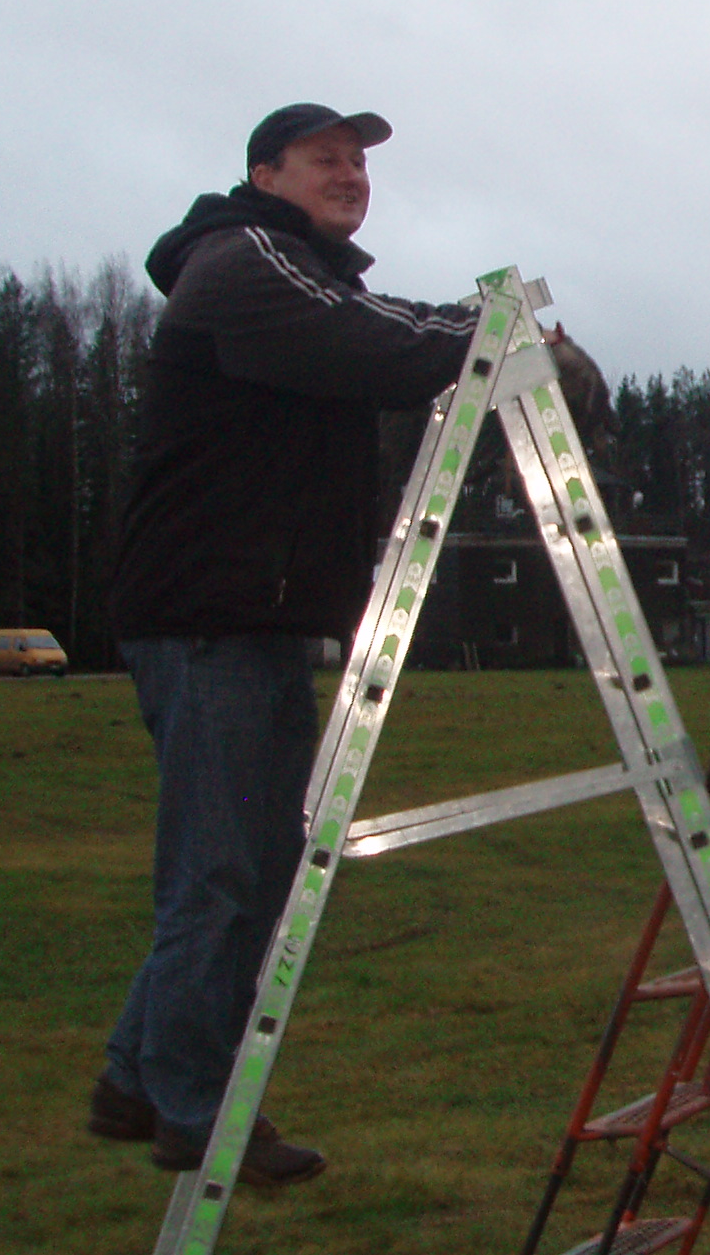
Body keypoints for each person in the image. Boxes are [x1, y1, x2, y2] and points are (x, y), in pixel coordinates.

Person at [92, 101, 567, 1182]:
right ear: (265, 172)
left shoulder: (291, 268)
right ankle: (195, 1107)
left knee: (246, 867)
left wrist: (488, 333)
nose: (351, 175)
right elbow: (377, 345)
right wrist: (507, 335)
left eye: (359, 163)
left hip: (243, 615)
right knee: (222, 875)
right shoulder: (241, 260)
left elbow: (383, 323)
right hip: (209, 617)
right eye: (326, 160)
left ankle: (136, 1077)